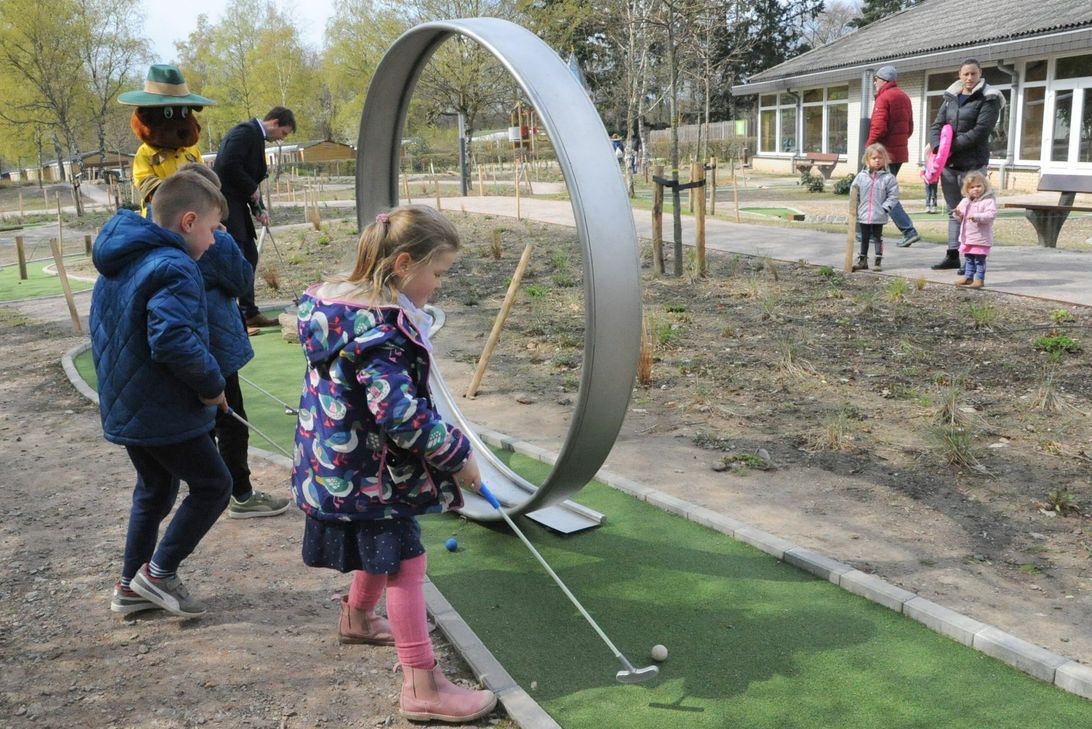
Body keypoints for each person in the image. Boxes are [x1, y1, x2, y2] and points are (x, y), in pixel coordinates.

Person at [291, 205, 497, 723]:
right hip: (370, 474)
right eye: (438, 273)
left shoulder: (337, 306)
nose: (438, 285)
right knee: (407, 565)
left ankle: (358, 619)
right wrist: (457, 456)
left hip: (334, 466)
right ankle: (422, 687)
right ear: (404, 263)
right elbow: (402, 416)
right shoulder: (382, 331)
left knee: (378, 550)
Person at [91, 170, 231, 618]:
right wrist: (212, 385)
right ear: (189, 222)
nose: (213, 242)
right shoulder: (175, 265)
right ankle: (158, 573)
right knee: (214, 485)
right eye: (212, 230)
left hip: (127, 403)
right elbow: (172, 340)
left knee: (154, 489)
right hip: (163, 408)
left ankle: (130, 586)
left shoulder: (123, 256)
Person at [180, 163, 291, 519]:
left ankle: (209, 490)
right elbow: (242, 281)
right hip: (217, 344)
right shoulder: (215, 240)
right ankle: (239, 493)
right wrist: (223, 237)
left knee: (201, 422)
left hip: (191, 348)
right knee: (230, 419)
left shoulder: (165, 236)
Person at [213, 106, 296, 329]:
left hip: (238, 205)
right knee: (236, 258)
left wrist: (258, 208)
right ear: (275, 123)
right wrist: (252, 189)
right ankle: (237, 317)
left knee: (249, 255)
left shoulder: (256, 137)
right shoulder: (245, 132)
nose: (281, 139)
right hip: (227, 206)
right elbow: (227, 166)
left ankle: (249, 312)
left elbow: (247, 177)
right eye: (284, 133)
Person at [927, 58, 1006, 270]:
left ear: (980, 73)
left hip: (973, 164)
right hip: (949, 165)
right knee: (955, 211)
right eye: (965, 74)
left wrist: (949, 147)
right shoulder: (950, 98)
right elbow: (937, 125)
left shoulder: (989, 99)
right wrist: (937, 148)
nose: (969, 78)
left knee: (974, 212)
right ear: (959, 75)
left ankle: (972, 258)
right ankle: (952, 254)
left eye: (973, 73)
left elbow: (980, 131)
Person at [866, 65, 921, 247]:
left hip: (883, 155)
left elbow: (878, 128)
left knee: (880, 193)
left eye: (876, 79)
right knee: (883, 192)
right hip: (898, 153)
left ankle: (907, 230)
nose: (874, 82)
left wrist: (869, 148)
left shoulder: (884, 97)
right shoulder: (904, 97)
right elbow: (910, 128)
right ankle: (867, 232)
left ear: (884, 80)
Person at [850, 143, 900, 273]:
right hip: (864, 213)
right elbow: (854, 191)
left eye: (880, 158)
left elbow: (893, 195)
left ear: (885, 160)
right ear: (867, 160)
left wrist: (885, 208)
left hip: (879, 214)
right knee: (864, 237)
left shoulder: (888, 178)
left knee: (877, 237)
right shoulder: (861, 177)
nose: (877, 160)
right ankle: (862, 260)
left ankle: (877, 261)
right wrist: (855, 206)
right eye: (874, 158)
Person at [953, 170, 997, 289]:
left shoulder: (988, 201)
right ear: (967, 189)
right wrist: (957, 214)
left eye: (978, 186)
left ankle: (979, 279)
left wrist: (977, 216)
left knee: (979, 260)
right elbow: (959, 216)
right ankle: (968, 277)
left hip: (981, 238)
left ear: (984, 186)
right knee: (969, 259)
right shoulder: (965, 201)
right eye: (972, 187)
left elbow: (991, 215)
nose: (975, 189)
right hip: (968, 237)